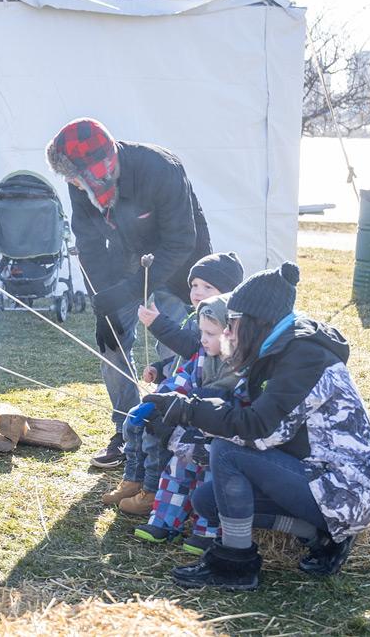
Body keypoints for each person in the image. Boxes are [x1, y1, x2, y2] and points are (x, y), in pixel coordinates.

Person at [141, 262, 370, 590]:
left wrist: (192, 412)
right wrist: (184, 405)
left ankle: (234, 565)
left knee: (227, 452)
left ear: (257, 322)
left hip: (349, 490)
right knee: (207, 501)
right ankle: (320, 535)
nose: (228, 334)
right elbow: (241, 408)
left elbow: (261, 430)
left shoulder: (304, 357)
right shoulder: (278, 349)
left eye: (233, 325)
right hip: (316, 476)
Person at [46, 117, 211, 470]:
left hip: (178, 266)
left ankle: (172, 433)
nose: (72, 185)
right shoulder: (82, 183)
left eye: (75, 177)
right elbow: (89, 244)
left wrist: (130, 290)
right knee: (112, 346)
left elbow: (182, 239)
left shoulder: (160, 168)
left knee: (175, 349)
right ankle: (127, 430)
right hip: (126, 262)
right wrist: (103, 301)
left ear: (100, 170)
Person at [105, 251, 243, 515]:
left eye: (208, 287)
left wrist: (158, 324)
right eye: (194, 285)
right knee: (132, 423)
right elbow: (182, 359)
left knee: (153, 434)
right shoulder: (194, 317)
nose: (198, 292)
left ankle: (151, 490)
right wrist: (159, 368)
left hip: (189, 401)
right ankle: (133, 479)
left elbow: (191, 348)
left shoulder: (222, 327)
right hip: (172, 388)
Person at [131, 294, 241, 553]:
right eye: (202, 331)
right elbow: (183, 380)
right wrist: (159, 400)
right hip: (191, 433)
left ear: (231, 333)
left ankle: (208, 531)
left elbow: (235, 404)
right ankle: (164, 522)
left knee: (210, 481)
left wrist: (198, 401)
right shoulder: (202, 356)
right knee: (175, 472)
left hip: (221, 440)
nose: (203, 339)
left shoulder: (240, 366)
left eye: (210, 333)